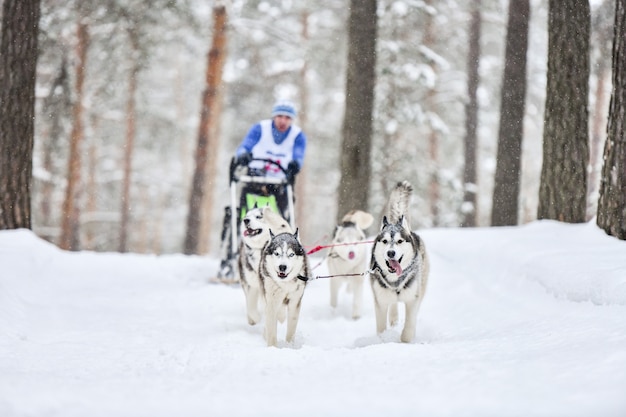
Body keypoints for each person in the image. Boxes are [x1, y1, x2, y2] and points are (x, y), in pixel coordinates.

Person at [233, 99, 307, 221]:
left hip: (279, 183)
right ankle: (237, 230)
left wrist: (296, 164)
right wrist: (243, 155)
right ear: (274, 116)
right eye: (280, 116)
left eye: (287, 117)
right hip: (255, 178)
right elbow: (246, 145)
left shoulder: (298, 136)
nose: (283, 121)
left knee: (284, 216)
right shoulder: (260, 128)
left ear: (292, 119)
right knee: (242, 211)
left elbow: (298, 156)